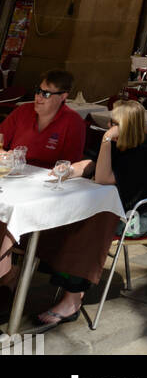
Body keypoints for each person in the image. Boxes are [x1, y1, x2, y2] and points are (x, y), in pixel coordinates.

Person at [38, 99, 147, 329]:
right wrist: (70, 170)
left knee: (87, 228)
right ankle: (61, 281)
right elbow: (92, 163)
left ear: (128, 125)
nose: (109, 126)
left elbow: (103, 178)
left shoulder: (141, 149)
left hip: (137, 218)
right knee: (66, 218)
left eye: (115, 123)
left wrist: (106, 140)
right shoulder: (116, 141)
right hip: (110, 208)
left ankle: (72, 299)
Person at [0, 70, 87, 292]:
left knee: (10, 215)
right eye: (39, 91)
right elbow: (1, 140)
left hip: (45, 191)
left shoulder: (73, 122)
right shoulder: (22, 112)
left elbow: (69, 166)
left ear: (63, 96)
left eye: (47, 94)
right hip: (12, 179)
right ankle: (7, 275)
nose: (39, 97)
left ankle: (6, 276)